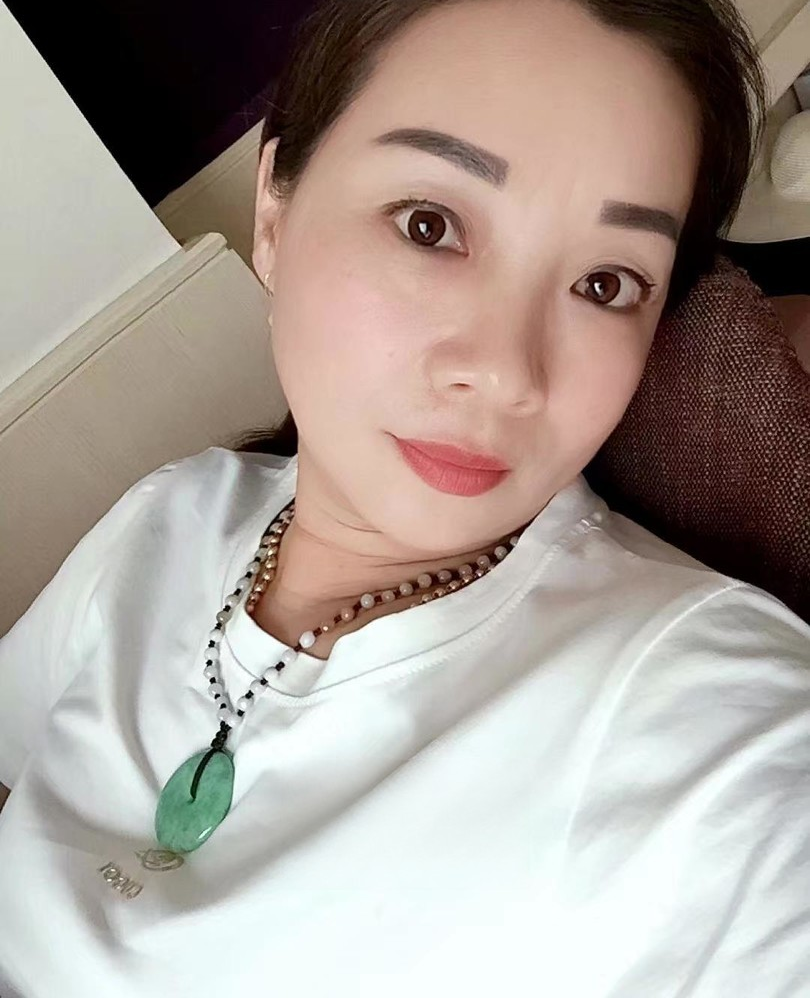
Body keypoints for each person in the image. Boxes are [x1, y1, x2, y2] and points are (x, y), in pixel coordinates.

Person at [0, 0, 807, 995]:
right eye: (432, 226)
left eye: (605, 284)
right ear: (274, 214)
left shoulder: (699, 719)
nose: (506, 371)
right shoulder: (171, 517)